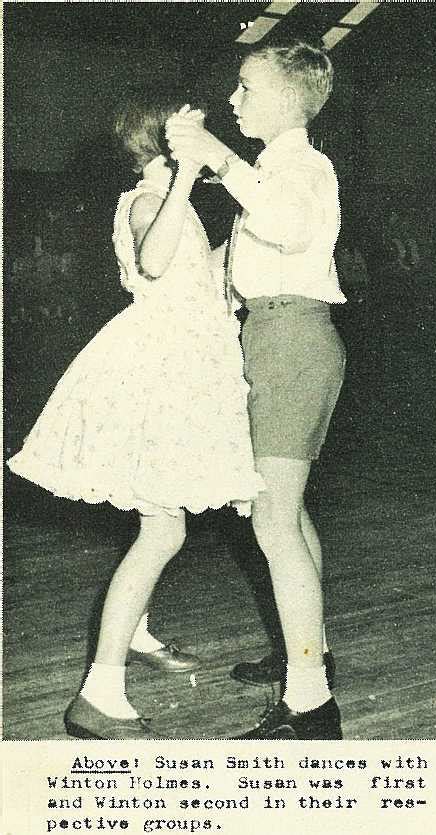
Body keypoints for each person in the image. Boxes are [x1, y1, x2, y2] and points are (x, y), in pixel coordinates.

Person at [7, 93, 264, 739]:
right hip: (162, 369)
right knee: (163, 529)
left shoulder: (167, 200)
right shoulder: (155, 197)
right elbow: (152, 261)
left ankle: (140, 632)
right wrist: (183, 179)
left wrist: (237, 241)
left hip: (180, 357)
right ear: (169, 145)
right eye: (195, 136)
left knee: (158, 511)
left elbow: (192, 279)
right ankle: (98, 692)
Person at [166, 41, 346, 739]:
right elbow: (226, 266)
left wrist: (216, 155)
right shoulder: (271, 171)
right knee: (288, 517)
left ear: (283, 100)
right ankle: (312, 654)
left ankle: (310, 704)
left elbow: (282, 224)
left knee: (272, 521)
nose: (234, 100)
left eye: (244, 88)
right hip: (273, 336)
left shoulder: (301, 167)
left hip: (292, 339)